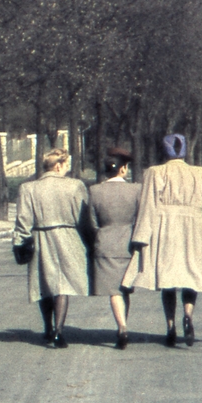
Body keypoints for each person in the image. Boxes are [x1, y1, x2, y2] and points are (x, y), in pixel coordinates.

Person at [122, 133, 202, 347]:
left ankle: (170, 326)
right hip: (193, 230)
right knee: (191, 276)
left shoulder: (154, 172)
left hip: (165, 230)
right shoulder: (201, 173)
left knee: (168, 281)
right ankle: (188, 314)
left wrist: (141, 236)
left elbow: (147, 206)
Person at [12, 147, 92, 348]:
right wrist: (89, 241)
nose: (67, 169)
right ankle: (59, 331)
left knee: (44, 283)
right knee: (62, 285)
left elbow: (23, 220)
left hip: (40, 237)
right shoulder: (75, 186)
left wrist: (19, 241)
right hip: (68, 237)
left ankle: (47, 327)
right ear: (58, 166)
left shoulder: (28, 188)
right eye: (66, 165)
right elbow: (83, 218)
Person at [88, 147, 140, 349]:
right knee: (125, 288)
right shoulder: (136, 190)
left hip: (106, 243)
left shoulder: (95, 191)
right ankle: (123, 324)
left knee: (113, 291)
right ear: (123, 169)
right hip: (128, 244)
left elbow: (92, 222)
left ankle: (122, 326)